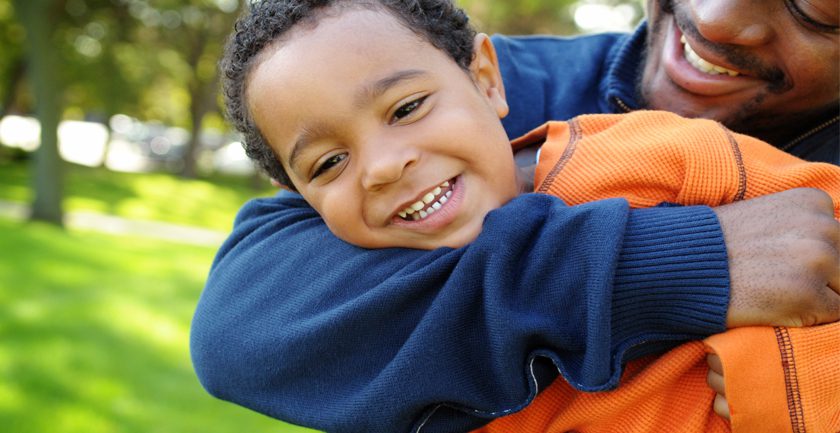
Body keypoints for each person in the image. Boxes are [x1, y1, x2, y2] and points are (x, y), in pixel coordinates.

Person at [190, 1, 840, 432]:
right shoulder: (432, 89)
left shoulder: (669, 152)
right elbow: (241, 324)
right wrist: (679, 261)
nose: (717, 17)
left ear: (486, 80)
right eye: (330, 163)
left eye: (808, 5)